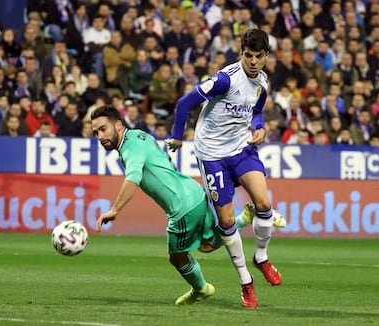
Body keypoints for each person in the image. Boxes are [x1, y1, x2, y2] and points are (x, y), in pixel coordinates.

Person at [91, 104, 283, 306]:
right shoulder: (138, 135)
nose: (99, 136)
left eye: (103, 129)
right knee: (207, 245)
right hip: (194, 193)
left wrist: (114, 210)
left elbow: (134, 178)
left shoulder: (131, 148)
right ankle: (245, 217)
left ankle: (201, 289)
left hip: (181, 208)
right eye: (96, 132)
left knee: (176, 257)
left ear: (119, 125)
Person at [166, 29, 282, 309]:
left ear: (266, 57)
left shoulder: (263, 82)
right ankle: (246, 283)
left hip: (241, 149)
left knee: (264, 203)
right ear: (241, 53)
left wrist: (259, 128)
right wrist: (178, 136)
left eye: (258, 56)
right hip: (212, 155)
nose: (253, 61)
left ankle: (262, 258)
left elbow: (256, 111)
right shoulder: (225, 80)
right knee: (228, 222)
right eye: (248, 55)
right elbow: (185, 103)